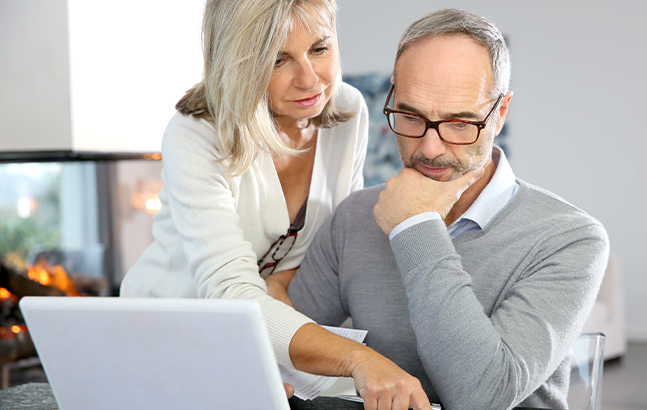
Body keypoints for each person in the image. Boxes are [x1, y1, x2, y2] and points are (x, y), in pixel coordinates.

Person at [286, 7, 610, 410]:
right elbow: (288, 344)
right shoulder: (354, 217)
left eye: (460, 123)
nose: (429, 148)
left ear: (501, 112)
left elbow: (484, 397)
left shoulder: (569, 238)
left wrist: (415, 228)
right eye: (410, 116)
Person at [120, 0, 431, 408]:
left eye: (320, 49)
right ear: (237, 63)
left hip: (261, 332)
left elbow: (334, 241)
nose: (309, 79)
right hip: (165, 334)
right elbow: (229, 291)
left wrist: (280, 283)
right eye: (277, 60)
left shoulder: (348, 111)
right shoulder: (195, 135)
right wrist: (360, 359)